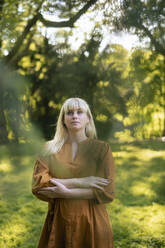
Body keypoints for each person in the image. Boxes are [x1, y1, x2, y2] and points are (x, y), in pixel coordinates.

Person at [32, 97, 115, 248]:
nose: (75, 116)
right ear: (63, 119)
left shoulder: (102, 149)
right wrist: (81, 181)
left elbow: (107, 191)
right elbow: (39, 186)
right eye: (69, 113)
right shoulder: (48, 149)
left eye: (80, 112)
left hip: (93, 220)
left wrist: (64, 192)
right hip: (59, 219)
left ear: (88, 118)